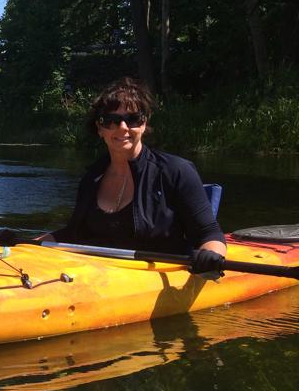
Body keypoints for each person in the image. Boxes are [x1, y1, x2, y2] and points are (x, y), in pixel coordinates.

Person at [42, 77, 227, 275]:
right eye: (111, 121)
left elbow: (209, 233)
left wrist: (210, 255)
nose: (122, 127)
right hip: (97, 275)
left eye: (132, 119)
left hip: (153, 276)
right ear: (100, 128)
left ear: (144, 123)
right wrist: (27, 246)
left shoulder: (176, 171)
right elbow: (72, 234)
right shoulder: (92, 177)